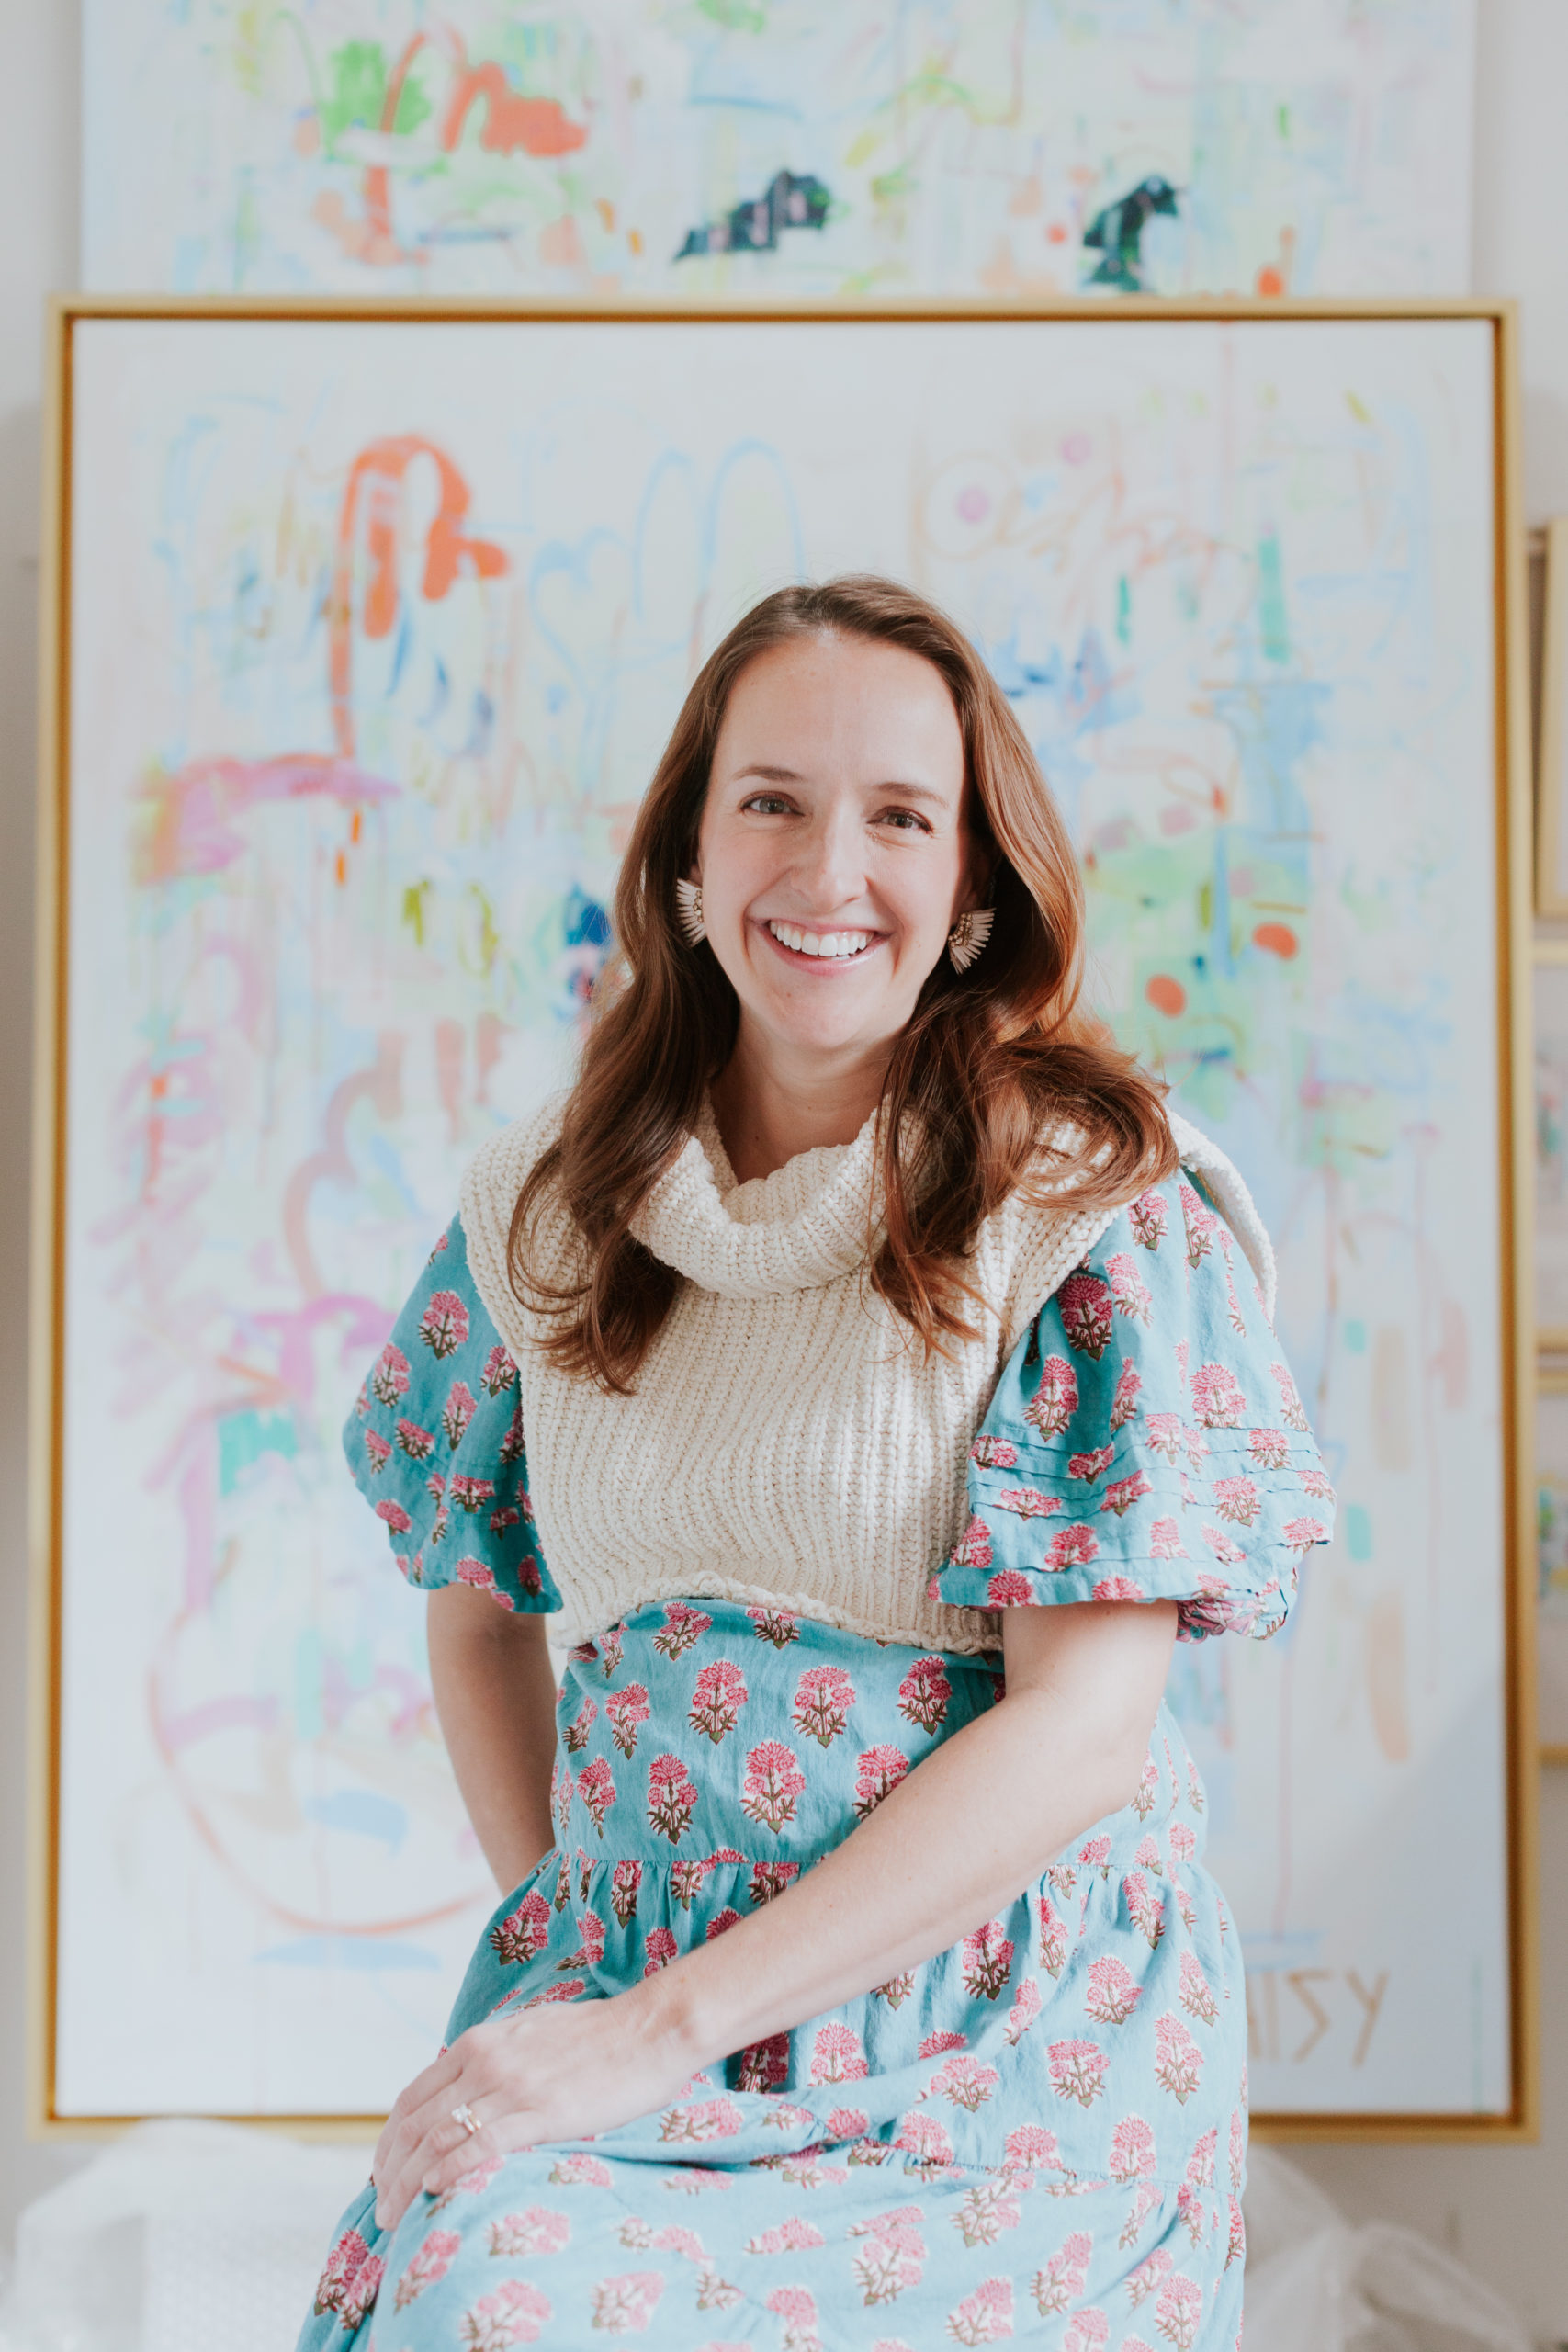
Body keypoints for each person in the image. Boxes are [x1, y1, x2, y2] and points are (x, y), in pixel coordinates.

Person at [299, 575, 1332, 2351]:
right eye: (771, 799)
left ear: (972, 890)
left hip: (1006, 2021)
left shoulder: (1084, 1203)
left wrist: (656, 2028)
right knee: (476, 2285)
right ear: (689, 859)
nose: (829, 870)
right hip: (647, 1982)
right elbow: (474, 1610)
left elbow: (1086, 1731)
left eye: (900, 817)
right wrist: (596, 1952)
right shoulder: (542, 1211)